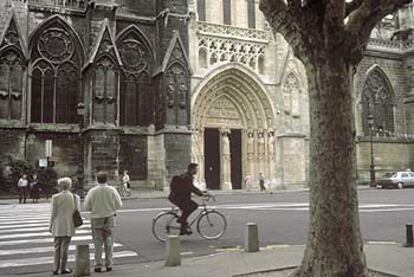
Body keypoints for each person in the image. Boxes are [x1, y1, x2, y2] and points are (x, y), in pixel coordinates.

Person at [84, 171, 122, 273]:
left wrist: (94, 208)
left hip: (96, 218)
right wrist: (111, 208)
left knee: (97, 242)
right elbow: (119, 204)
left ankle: (98, 264)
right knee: (109, 241)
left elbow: (86, 206)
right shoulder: (112, 190)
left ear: (97, 179)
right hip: (109, 217)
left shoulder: (92, 191)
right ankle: (109, 263)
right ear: (107, 179)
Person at [49, 177, 80, 275]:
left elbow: (53, 213)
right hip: (69, 224)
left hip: (58, 224)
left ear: (60, 186)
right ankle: (64, 267)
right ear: (69, 185)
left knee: (57, 246)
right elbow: (77, 212)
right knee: (65, 247)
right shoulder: (75, 197)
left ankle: (55, 268)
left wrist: (50, 225)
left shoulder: (55, 197)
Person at [168, 163, 207, 235]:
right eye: (196, 169)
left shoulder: (187, 176)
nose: (197, 171)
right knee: (194, 206)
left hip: (177, 197)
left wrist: (202, 192)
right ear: (192, 170)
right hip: (178, 198)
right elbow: (191, 188)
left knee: (186, 210)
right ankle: (181, 220)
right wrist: (201, 194)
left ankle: (183, 230)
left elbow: (192, 188)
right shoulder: (187, 177)